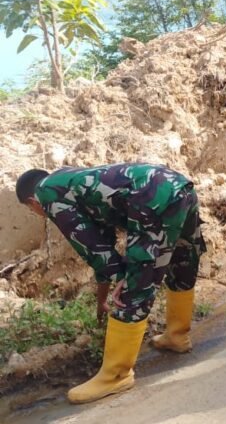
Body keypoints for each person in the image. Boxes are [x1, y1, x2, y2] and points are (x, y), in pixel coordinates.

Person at [15, 163, 205, 404]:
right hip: (178, 186)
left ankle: (116, 375)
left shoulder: (47, 194)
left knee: (135, 285)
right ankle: (177, 336)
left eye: (31, 210)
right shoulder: (68, 179)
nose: (37, 213)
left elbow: (91, 246)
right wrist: (102, 296)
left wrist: (123, 276)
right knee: (182, 258)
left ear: (32, 202)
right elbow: (104, 238)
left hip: (151, 199)